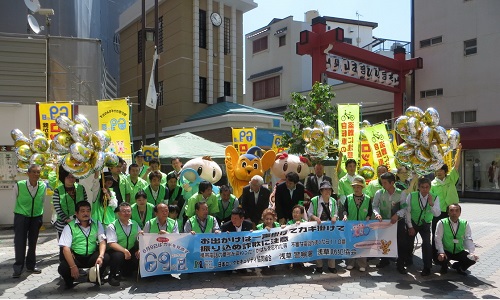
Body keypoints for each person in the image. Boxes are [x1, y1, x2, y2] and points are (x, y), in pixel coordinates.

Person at [58, 201, 110, 289]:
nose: (86, 213)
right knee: (63, 267)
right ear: (76, 213)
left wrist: (100, 256)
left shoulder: (97, 223)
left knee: (106, 257)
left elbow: (102, 241)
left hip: (91, 256)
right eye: (82, 211)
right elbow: (65, 248)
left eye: (88, 211)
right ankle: (70, 280)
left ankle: (96, 277)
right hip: (76, 257)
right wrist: (73, 266)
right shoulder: (69, 227)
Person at [12, 164, 46, 278]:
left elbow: (42, 200)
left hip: (36, 217)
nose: (36, 174)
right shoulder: (19, 185)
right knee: (20, 242)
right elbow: (15, 198)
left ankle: (31, 265)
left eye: (38, 172)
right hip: (21, 216)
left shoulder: (43, 185)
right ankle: (18, 267)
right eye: (34, 172)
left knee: (33, 242)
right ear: (28, 173)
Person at [430, 143, 462, 262]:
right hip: (438, 213)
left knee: (450, 235)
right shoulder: (432, 184)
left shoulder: (451, 178)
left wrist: (459, 151)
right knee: (436, 235)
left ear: (445, 171)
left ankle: (448, 257)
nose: (439, 172)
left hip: (451, 212)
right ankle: (436, 257)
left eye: (441, 170)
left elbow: (457, 165)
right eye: (437, 170)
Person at [372, 172, 408, 274]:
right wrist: (377, 214)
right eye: (382, 182)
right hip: (384, 222)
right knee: (383, 242)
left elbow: (405, 208)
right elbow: (374, 206)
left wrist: (398, 215)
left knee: (401, 243)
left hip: (398, 222)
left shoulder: (401, 193)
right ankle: (384, 260)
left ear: (392, 183)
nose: (383, 185)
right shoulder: (379, 193)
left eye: (385, 183)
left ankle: (400, 264)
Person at [405, 177, 441, 276]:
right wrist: (410, 226)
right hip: (413, 222)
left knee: (426, 245)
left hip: (425, 223)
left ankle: (427, 267)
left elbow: (437, 214)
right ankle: (408, 261)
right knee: (409, 243)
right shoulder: (411, 196)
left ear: (430, 187)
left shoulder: (435, 197)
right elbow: (407, 211)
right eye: (422, 187)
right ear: (418, 187)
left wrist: (431, 204)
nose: (425, 189)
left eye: (427, 187)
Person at [435, 204, 478, 275]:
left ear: (460, 213)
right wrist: (441, 252)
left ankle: (459, 267)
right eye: (451, 211)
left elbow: (468, 238)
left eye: (457, 211)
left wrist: (472, 252)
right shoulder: (442, 222)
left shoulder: (465, 223)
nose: (454, 213)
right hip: (446, 250)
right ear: (448, 213)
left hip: (459, 251)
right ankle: (444, 266)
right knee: (441, 258)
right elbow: (438, 238)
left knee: (472, 259)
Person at [106, 202, 141, 286]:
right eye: (124, 211)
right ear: (118, 213)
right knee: (118, 255)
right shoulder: (112, 226)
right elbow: (111, 243)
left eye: (128, 211)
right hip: (116, 251)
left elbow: (140, 238)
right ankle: (112, 276)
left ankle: (127, 272)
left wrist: (140, 249)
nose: (126, 213)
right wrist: (124, 251)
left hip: (130, 249)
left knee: (139, 255)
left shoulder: (134, 223)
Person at [342, 176, 371, 272]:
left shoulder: (367, 198)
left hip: (363, 226)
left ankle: (362, 264)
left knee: (362, 245)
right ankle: (350, 263)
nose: (356, 189)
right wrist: (345, 216)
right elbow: (344, 209)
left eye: (358, 187)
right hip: (351, 225)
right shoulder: (349, 198)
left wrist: (368, 217)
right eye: (354, 187)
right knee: (351, 244)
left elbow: (370, 211)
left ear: (362, 187)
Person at [53, 167, 88, 238]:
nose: (71, 179)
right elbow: (58, 208)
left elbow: (85, 204)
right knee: (64, 247)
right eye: (68, 177)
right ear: (63, 177)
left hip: (80, 222)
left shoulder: (81, 188)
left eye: (73, 177)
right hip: (63, 224)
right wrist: (67, 220)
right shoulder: (58, 191)